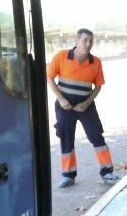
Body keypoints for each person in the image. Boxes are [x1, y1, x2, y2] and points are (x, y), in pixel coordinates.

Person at [47, 28, 119, 187]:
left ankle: (108, 172)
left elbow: (98, 87)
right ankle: (68, 175)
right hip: (64, 106)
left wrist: (85, 104)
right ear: (76, 41)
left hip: (86, 107)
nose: (88, 44)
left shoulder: (96, 62)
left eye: (91, 41)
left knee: (97, 136)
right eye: (85, 40)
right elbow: (50, 78)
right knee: (66, 138)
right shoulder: (61, 56)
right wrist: (61, 99)